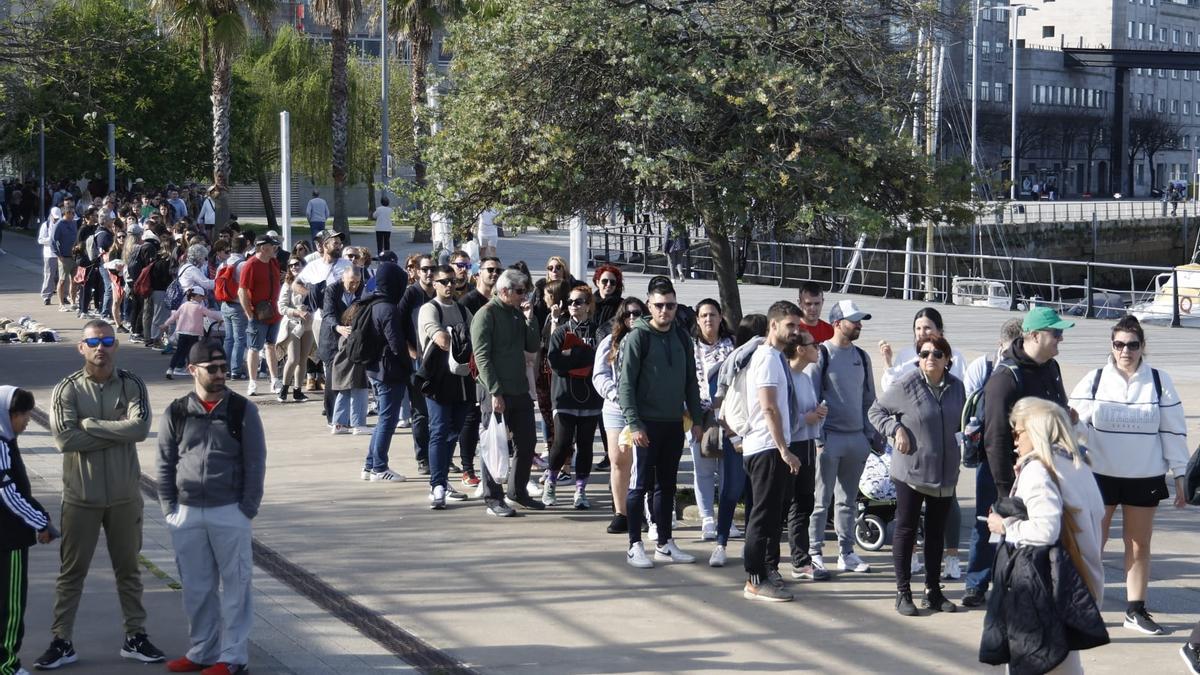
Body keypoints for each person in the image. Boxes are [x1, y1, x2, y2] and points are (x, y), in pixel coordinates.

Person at [37, 320, 165, 669]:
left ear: (116, 345)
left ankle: (135, 636)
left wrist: (90, 424)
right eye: (93, 342)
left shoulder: (132, 383)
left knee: (129, 570)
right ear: (81, 347)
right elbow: (65, 440)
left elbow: (139, 429)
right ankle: (62, 640)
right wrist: (116, 430)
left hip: (125, 497)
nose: (101, 348)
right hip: (81, 498)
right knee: (71, 573)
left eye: (107, 340)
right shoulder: (67, 389)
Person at [1068, 316, 1189, 635]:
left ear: (1142, 347)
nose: (1126, 351)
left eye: (1132, 345)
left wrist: (1180, 475)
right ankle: (1086, 606)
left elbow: (1173, 431)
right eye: (1119, 344)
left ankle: (1135, 611)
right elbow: (1074, 430)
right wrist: (1074, 422)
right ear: (1111, 346)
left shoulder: (1159, 381)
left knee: (1138, 545)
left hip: (1144, 476)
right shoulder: (1094, 380)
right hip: (1100, 477)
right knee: (1093, 543)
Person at [156, 341, 265, 675]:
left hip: (230, 510)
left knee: (236, 588)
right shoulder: (176, 411)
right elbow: (164, 462)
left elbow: (255, 462)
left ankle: (232, 658)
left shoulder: (241, 410)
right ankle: (202, 651)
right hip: (186, 513)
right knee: (197, 588)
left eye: (222, 367)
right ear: (193, 370)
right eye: (212, 368)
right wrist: (169, 509)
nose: (220, 374)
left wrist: (246, 508)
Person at [964, 306, 1074, 608]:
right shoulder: (1004, 379)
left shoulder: (1051, 367)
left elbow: (1058, 409)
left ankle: (1028, 587)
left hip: (1045, 468)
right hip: (1007, 470)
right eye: (1056, 333)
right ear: (1034, 336)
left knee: (1036, 532)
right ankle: (978, 583)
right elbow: (995, 437)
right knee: (993, 525)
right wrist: (1005, 489)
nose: (1061, 339)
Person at [985, 397, 1105, 675]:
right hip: (1082, 581)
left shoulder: (1038, 471)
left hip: (1047, 587)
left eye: (1018, 431)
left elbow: (1045, 529)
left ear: (1037, 430)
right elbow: (1095, 515)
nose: (1014, 439)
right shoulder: (1078, 464)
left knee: (1032, 663)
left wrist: (1005, 527)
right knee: (1064, 663)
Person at [869, 334, 964, 616]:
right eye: (923, 354)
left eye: (936, 354)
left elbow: (965, 420)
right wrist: (895, 429)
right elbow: (876, 411)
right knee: (906, 529)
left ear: (948, 359)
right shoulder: (907, 384)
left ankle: (933, 591)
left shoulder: (957, 388)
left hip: (945, 472)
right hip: (911, 470)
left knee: (936, 533)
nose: (929, 359)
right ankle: (903, 592)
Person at [619, 277, 703, 568]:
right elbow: (625, 385)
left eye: (670, 305)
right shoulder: (637, 337)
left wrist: (698, 419)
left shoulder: (681, 337)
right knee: (639, 485)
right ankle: (634, 545)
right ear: (648, 306)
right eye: (659, 305)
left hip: (673, 423)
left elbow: (691, 382)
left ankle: (665, 543)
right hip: (645, 424)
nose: (664, 310)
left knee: (667, 486)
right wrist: (634, 423)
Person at [805, 299, 878, 575]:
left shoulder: (862, 356)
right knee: (821, 499)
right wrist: (818, 438)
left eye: (860, 320)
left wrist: (871, 434)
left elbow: (869, 398)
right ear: (837, 323)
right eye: (854, 320)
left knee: (848, 500)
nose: (859, 325)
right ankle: (814, 551)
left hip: (856, 438)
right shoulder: (821, 354)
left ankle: (846, 552)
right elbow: (811, 397)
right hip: (828, 439)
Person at [740, 301, 805, 602]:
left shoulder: (776, 358)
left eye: (797, 326)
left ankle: (765, 574)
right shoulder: (766, 358)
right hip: (766, 448)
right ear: (773, 326)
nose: (795, 331)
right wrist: (784, 450)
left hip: (771, 448)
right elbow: (768, 407)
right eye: (790, 325)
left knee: (770, 517)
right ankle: (754, 580)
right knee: (762, 516)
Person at [471, 268, 544, 516]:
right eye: (521, 291)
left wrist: (530, 317)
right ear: (504, 291)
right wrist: (495, 391)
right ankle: (493, 498)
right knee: (494, 444)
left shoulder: (515, 313)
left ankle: (518, 491)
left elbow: (532, 345)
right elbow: (482, 356)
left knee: (527, 442)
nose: (525, 296)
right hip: (495, 391)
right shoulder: (486, 315)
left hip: (519, 389)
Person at [0, 386, 54, 675]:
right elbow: (8, 494)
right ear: (8, 414)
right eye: (23, 414)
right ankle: (6, 664)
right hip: (8, 539)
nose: (28, 420)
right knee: (10, 606)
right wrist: (41, 521)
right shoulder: (0, 444)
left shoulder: (6, 440)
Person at [416, 265, 473, 509]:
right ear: (434, 285)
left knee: (455, 430)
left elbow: (477, 336)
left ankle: (442, 479)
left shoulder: (462, 309)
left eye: (452, 280)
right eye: (443, 281)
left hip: (462, 380)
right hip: (438, 380)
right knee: (438, 430)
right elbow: (440, 339)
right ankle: (437, 485)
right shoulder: (430, 308)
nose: (449, 285)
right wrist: (458, 337)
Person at [542, 285, 603, 509]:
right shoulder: (561, 331)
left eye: (578, 302)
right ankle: (551, 482)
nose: (573, 306)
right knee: (562, 442)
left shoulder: (598, 331)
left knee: (586, 445)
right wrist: (580, 358)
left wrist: (575, 356)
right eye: (570, 302)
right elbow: (555, 363)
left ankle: (581, 490)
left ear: (588, 305)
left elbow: (600, 359)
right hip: (564, 395)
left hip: (591, 397)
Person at [593, 298, 648, 534]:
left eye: (637, 313)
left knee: (642, 463)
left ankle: (642, 512)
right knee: (618, 460)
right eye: (627, 314)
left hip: (644, 408)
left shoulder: (650, 340)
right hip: (616, 408)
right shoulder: (610, 342)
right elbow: (599, 374)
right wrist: (616, 394)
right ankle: (621, 512)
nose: (632, 318)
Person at [781, 330, 828, 580]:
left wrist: (817, 415)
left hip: (808, 444)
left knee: (804, 502)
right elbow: (782, 417)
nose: (817, 348)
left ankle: (801, 560)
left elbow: (806, 412)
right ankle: (791, 560)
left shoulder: (805, 377)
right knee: (789, 504)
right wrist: (806, 419)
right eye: (813, 344)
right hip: (790, 447)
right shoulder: (786, 376)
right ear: (800, 349)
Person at [689, 299, 736, 541]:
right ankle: (707, 517)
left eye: (713, 315)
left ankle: (726, 517)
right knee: (704, 468)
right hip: (699, 415)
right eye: (704, 315)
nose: (709, 319)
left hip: (729, 417)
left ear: (720, 318)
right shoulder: (689, 347)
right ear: (697, 319)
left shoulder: (732, 346)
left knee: (727, 470)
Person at [363, 262, 412, 483]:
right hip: (388, 371)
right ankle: (379, 467)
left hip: (374, 369)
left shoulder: (373, 302)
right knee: (387, 420)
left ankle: (370, 464)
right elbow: (396, 345)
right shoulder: (389, 308)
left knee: (384, 418)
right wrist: (408, 366)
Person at [398, 255, 436, 474]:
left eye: (432, 269)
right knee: (421, 411)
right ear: (417, 272)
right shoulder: (411, 293)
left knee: (440, 413)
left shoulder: (440, 292)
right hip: (418, 362)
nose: (429, 273)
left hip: (439, 362)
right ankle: (423, 458)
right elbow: (398, 323)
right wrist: (410, 350)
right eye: (425, 269)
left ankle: (441, 455)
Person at [238, 234, 282, 397]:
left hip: (274, 313)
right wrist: (249, 313)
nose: (275, 249)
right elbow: (241, 291)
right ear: (264, 248)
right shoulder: (251, 265)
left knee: (271, 346)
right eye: (272, 246)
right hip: (258, 314)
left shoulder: (273, 262)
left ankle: (274, 380)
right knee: (254, 348)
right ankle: (253, 382)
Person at [321, 267, 365, 431]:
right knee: (333, 380)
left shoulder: (361, 289)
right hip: (332, 339)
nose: (354, 285)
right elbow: (328, 314)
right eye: (351, 282)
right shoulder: (332, 289)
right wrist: (338, 327)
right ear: (343, 278)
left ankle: (343, 420)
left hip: (351, 341)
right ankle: (334, 419)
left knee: (349, 381)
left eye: (357, 282)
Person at [161, 287, 223, 379]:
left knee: (179, 351)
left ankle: (170, 369)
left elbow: (174, 317)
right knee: (192, 352)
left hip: (182, 332)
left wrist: (165, 324)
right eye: (201, 296)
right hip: (194, 333)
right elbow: (211, 314)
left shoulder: (184, 305)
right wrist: (220, 319)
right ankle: (193, 370)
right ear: (196, 296)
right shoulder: (200, 307)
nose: (202, 298)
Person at [277, 257, 315, 403]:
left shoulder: (311, 283)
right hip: (293, 324)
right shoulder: (288, 285)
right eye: (291, 265)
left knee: (303, 359)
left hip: (308, 325)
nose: (294, 267)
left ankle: (298, 390)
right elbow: (281, 307)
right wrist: (297, 312)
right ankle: (284, 389)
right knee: (293, 358)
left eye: (297, 264)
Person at [52, 206, 79, 310]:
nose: (73, 215)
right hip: (64, 257)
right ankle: (61, 303)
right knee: (62, 280)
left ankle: (73, 301)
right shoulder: (59, 224)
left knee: (74, 280)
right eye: (72, 213)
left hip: (74, 256)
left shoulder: (74, 223)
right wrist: (59, 255)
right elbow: (53, 241)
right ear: (66, 213)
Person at [38, 207, 62, 305]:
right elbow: (40, 240)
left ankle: (64, 296)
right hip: (49, 254)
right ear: (51, 216)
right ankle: (47, 296)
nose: (56, 220)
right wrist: (51, 240)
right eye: (55, 218)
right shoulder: (46, 225)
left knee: (63, 276)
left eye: (58, 218)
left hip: (61, 254)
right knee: (49, 275)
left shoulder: (62, 224)